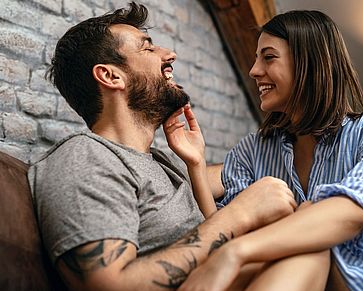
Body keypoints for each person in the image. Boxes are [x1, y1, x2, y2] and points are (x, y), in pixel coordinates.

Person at [28, 2, 298, 290]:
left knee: (305, 240)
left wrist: (196, 163)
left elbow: (221, 212)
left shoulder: (157, 162)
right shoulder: (84, 158)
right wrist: (238, 215)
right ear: (111, 76)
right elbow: (108, 284)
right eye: (147, 48)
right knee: (301, 255)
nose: (170, 54)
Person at [179, 10, 363, 291]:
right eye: (255, 58)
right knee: (303, 232)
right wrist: (196, 164)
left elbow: (353, 212)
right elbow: (223, 228)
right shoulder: (252, 150)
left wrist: (237, 251)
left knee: (312, 230)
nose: (253, 70)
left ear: (308, 63)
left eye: (268, 57)